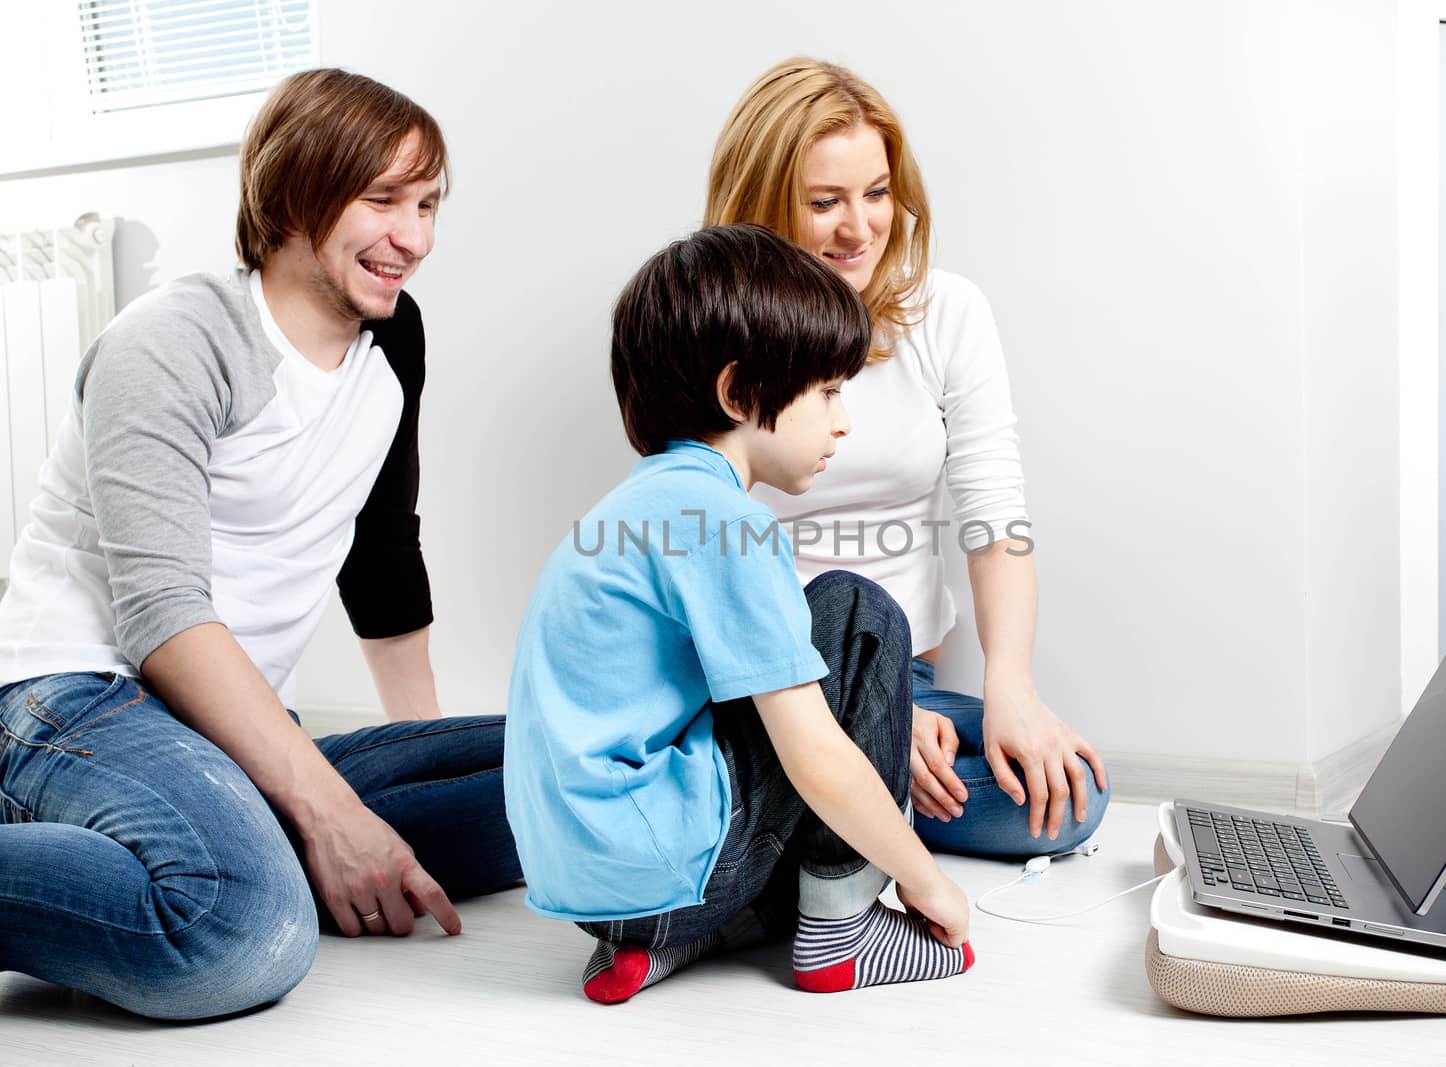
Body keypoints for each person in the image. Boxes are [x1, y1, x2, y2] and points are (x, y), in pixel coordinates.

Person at [0, 68, 520, 1021]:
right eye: (381, 201)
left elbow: (379, 553)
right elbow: (160, 618)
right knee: (241, 932)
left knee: (568, 773)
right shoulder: (174, 341)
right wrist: (328, 812)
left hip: (227, 732)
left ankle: (163, 839)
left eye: (427, 204)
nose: (413, 237)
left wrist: (413, 747)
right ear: (292, 195)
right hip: (76, 696)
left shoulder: (391, 341)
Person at [504, 224, 974, 1004]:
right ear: (737, 394)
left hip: (594, 886)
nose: (843, 420)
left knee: (766, 680)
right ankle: (841, 932)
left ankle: (681, 938)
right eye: (827, 391)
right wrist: (929, 884)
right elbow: (816, 755)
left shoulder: (632, 507)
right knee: (855, 612)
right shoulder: (725, 521)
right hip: (663, 864)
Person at [706, 58, 1110, 858]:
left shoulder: (948, 311)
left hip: (913, 684)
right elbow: (711, 556)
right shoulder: (709, 326)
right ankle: (823, 790)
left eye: (877, 192)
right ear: (762, 206)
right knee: (784, 751)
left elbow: (996, 515)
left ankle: (780, 812)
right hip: (759, 685)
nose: (859, 226)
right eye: (824, 202)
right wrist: (860, 711)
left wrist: (1009, 687)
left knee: (1068, 796)